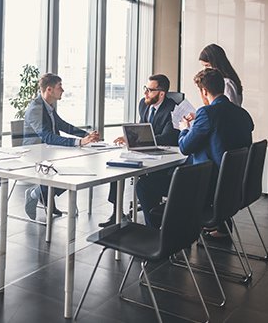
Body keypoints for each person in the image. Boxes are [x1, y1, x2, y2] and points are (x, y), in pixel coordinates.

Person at [137, 68, 254, 235]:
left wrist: (185, 129)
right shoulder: (243, 114)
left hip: (205, 187)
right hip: (232, 186)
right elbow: (223, 136)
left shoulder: (206, 113)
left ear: (204, 91)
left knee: (145, 185)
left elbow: (185, 147)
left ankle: (156, 235)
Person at [99, 74, 180, 227]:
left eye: (150, 90)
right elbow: (142, 128)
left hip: (164, 154)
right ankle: (117, 213)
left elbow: (168, 137)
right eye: (145, 89)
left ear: (161, 93)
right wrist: (129, 137)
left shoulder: (172, 109)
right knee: (118, 168)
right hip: (143, 150)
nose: (145, 93)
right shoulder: (144, 104)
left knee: (146, 183)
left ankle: (154, 223)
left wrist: (138, 140)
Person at [23, 73, 100, 220]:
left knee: (71, 170)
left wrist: (86, 135)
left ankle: (43, 194)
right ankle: (35, 193)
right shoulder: (36, 109)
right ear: (49, 90)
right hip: (35, 154)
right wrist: (78, 142)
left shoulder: (48, 106)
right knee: (66, 172)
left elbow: (63, 125)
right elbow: (47, 137)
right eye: (60, 87)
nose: (63, 90)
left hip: (48, 152)